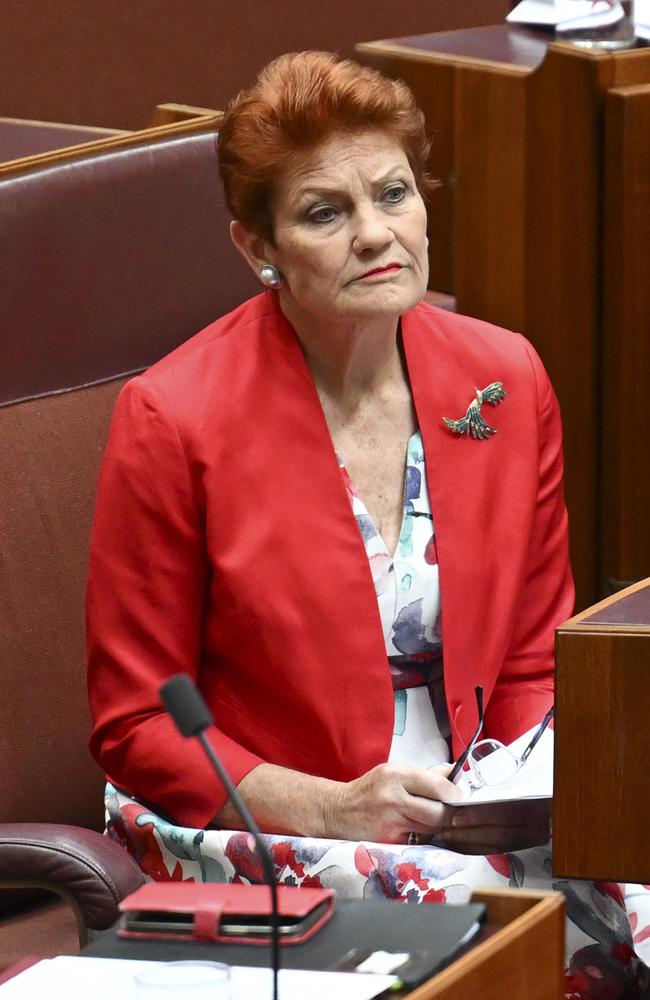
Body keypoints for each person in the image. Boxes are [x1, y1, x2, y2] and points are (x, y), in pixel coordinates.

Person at [86, 52, 649, 997]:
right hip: (271, 817)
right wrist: (332, 806)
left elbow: (531, 660)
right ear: (254, 244)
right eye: (324, 212)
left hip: (468, 808)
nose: (375, 234)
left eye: (393, 193)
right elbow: (139, 720)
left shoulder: (503, 377)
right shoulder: (174, 418)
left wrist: (519, 798)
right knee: (507, 923)